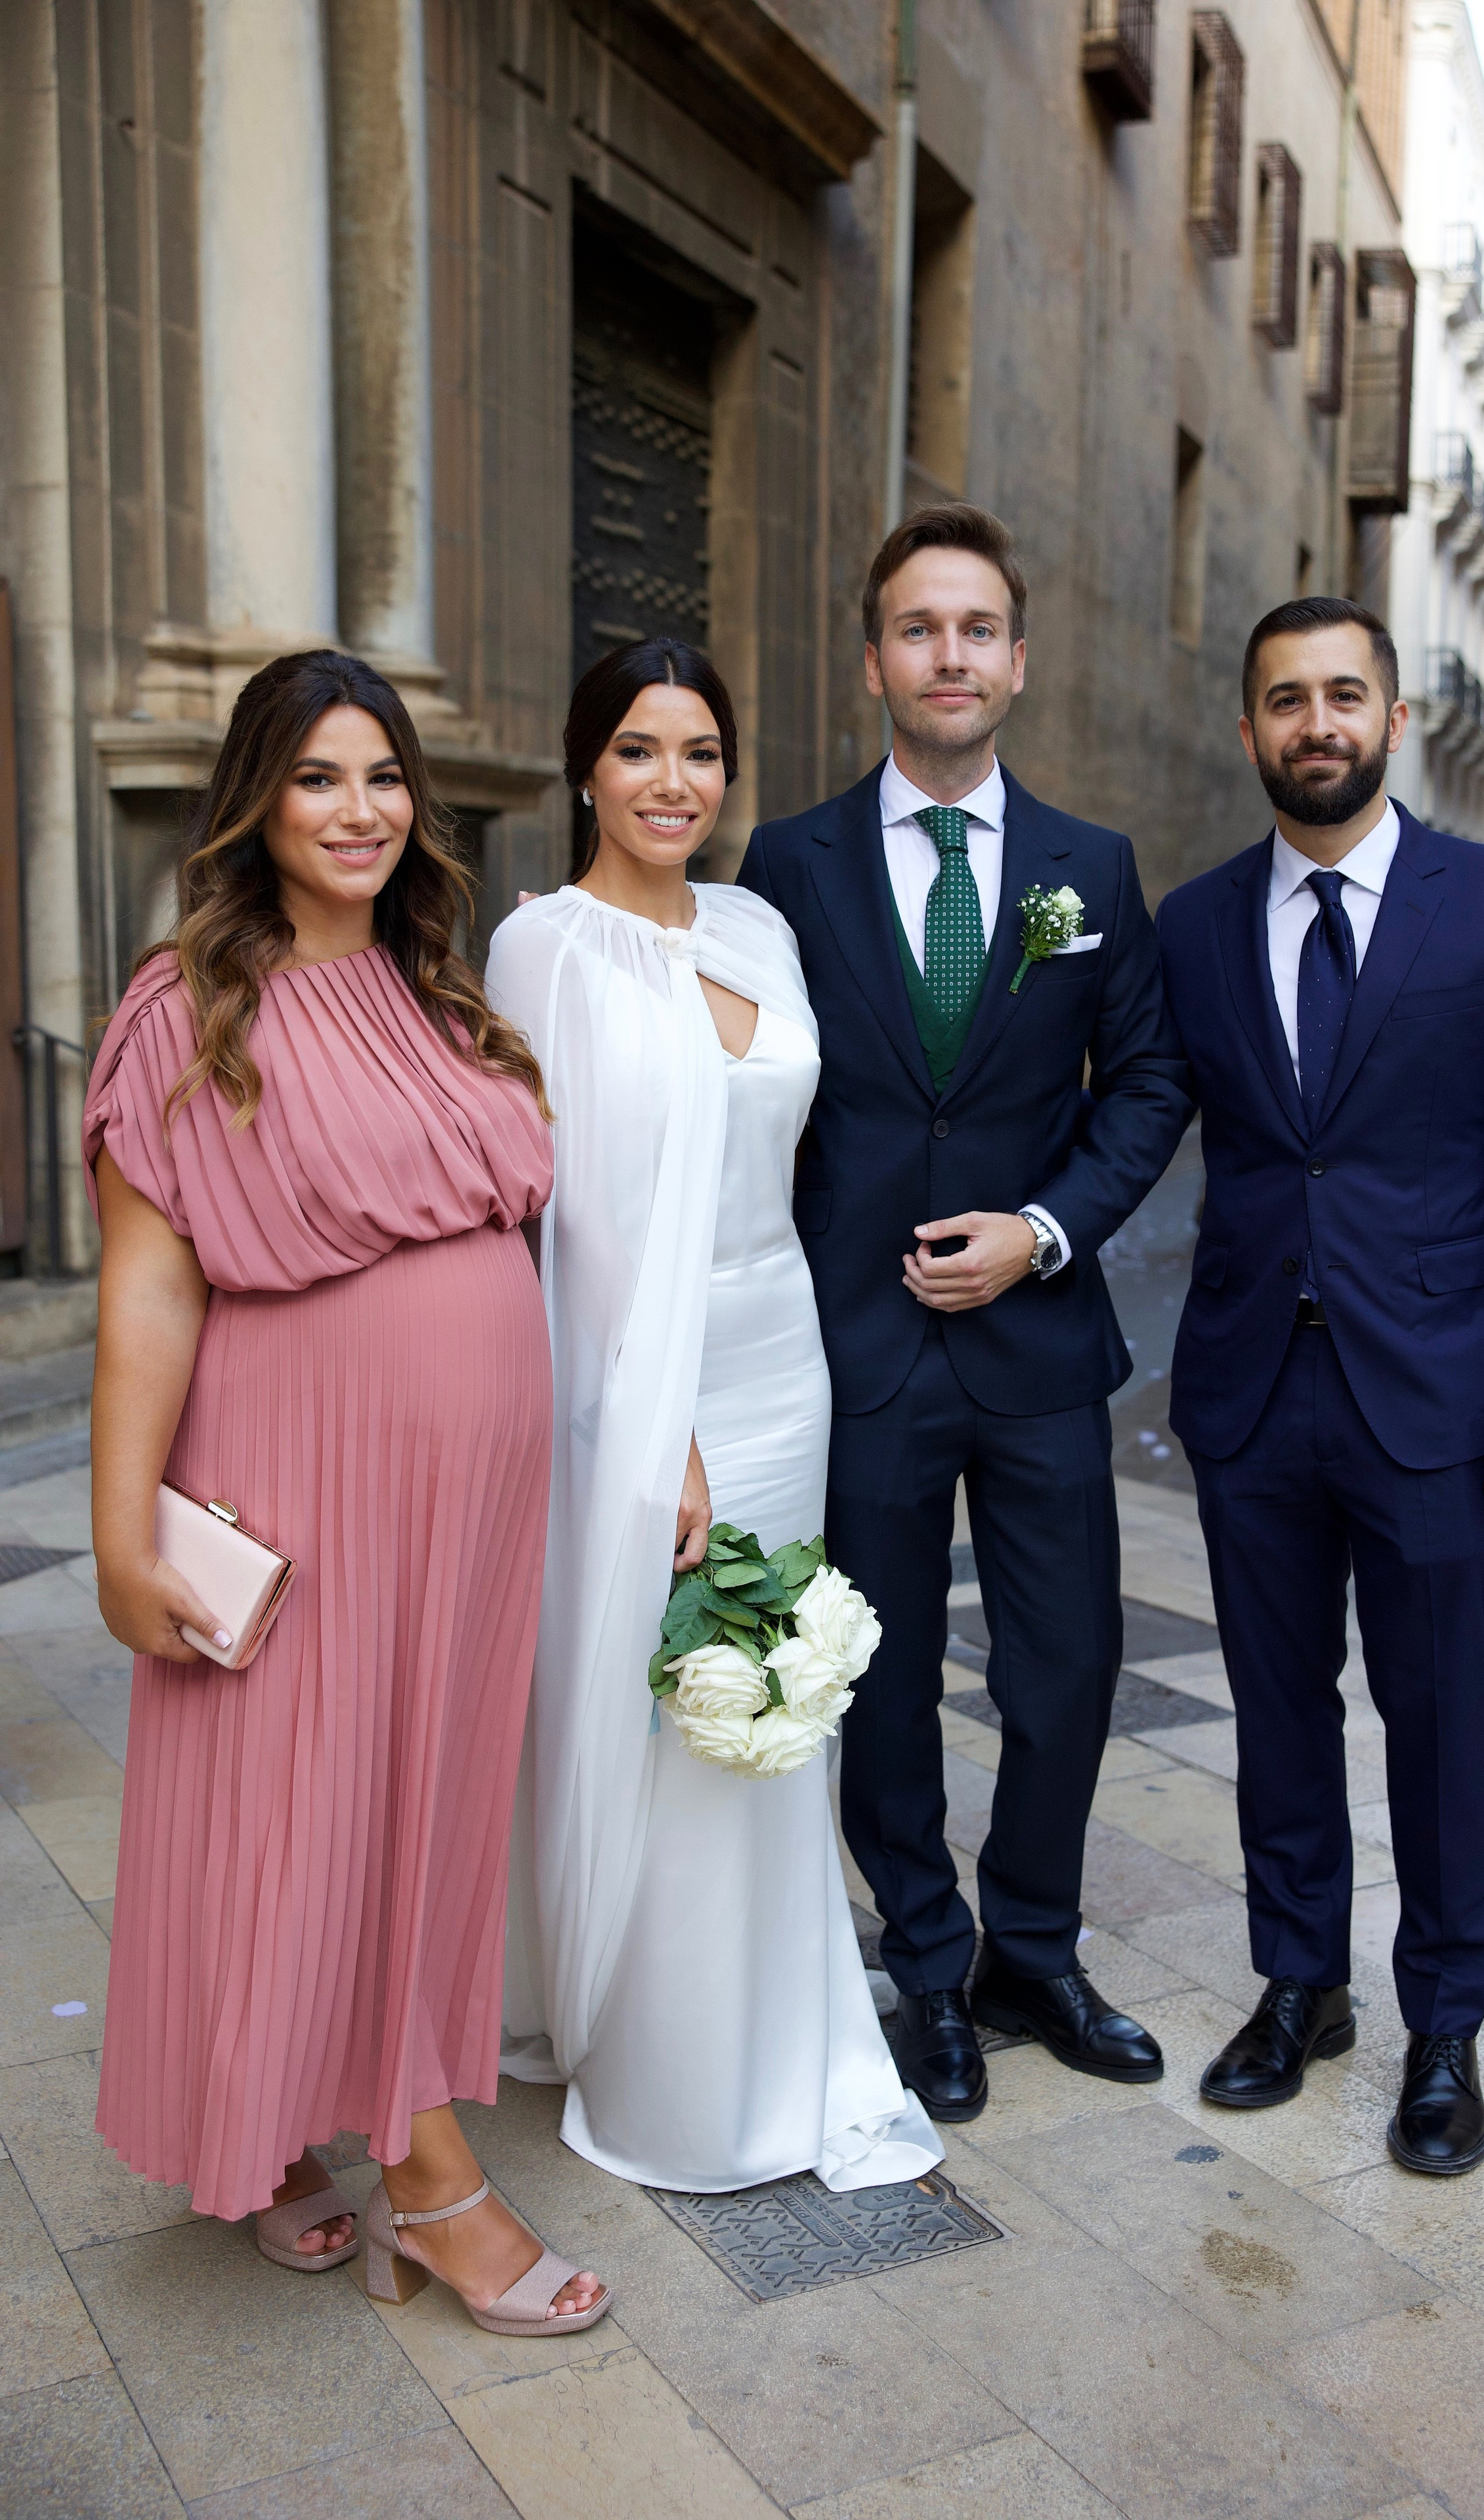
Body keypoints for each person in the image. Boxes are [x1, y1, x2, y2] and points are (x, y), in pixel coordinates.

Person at [85, 650, 608, 2332]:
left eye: (382, 776)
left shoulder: (434, 989)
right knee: (299, 1806)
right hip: (296, 1472)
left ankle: (295, 2116)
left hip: (471, 1505)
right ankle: (432, 2180)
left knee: (418, 1811)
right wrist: (116, 1535)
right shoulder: (186, 1007)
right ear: (256, 798)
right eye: (317, 777)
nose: (360, 809)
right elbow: (150, 1296)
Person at [737, 506, 1193, 2122]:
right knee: (877, 1669)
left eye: (977, 628)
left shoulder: (1090, 870)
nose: (949, 656)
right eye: (917, 629)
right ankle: (927, 1969)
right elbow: (752, 1092)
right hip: (850, 1346)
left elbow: (1143, 1082)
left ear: (1017, 660)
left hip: (1034, 1346)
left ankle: (1037, 1948)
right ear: (874, 662)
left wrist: (1044, 1230)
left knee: (1064, 1666)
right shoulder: (785, 863)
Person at [1155, 596, 1484, 2175]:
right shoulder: (1195, 924)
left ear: (1393, 718)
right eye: (1283, 700)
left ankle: (1443, 2029)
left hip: (1434, 1393)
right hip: (1247, 1393)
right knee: (1276, 1712)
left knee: (1434, 1723)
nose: (1315, 724)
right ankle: (1300, 1987)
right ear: (1247, 733)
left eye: (1342, 694)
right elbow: (1141, 1119)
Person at [490, 637, 941, 2194]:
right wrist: (652, 1419)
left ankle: (779, 2015)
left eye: (696, 752)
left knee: (777, 1701)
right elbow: (562, 1211)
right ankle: (674, 2069)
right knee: (667, 1698)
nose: (669, 782)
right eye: (634, 750)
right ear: (583, 768)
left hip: (783, 1349)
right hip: (639, 1379)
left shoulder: (757, 926)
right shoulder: (542, 947)